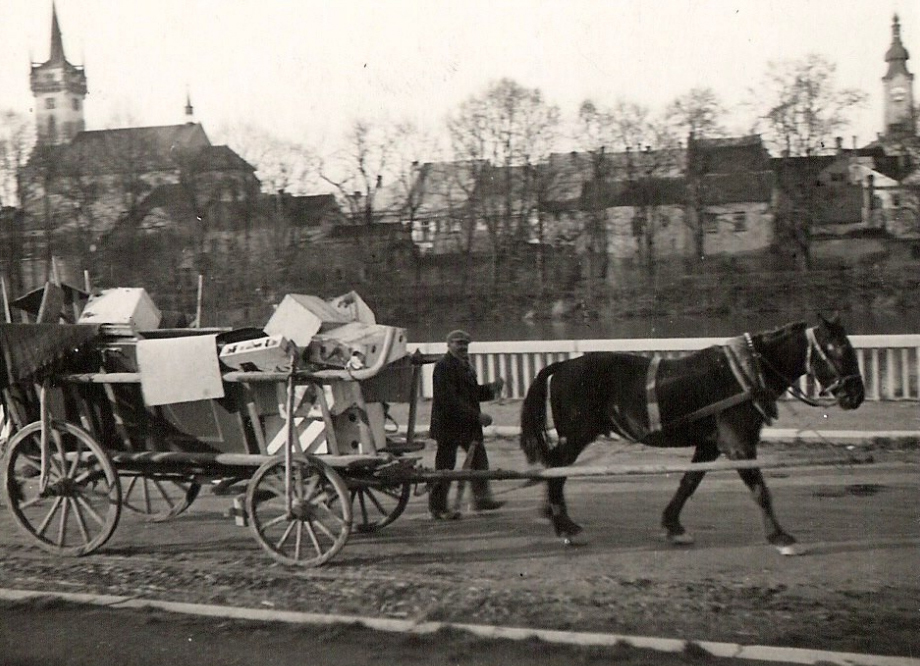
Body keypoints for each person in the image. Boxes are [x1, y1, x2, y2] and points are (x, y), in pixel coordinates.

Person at [428, 329, 505, 520]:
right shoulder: (443, 366)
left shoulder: (465, 365)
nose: (463, 347)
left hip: (467, 425)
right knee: (445, 468)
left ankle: (482, 500)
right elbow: (449, 400)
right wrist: (477, 416)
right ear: (449, 345)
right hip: (448, 426)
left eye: (465, 344)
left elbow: (472, 394)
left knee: (479, 462)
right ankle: (437, 508)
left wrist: (492, 388)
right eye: (458, 343)